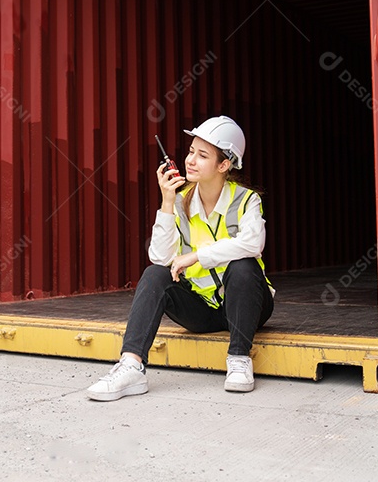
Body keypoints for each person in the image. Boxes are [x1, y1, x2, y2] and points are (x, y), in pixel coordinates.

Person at [87, 116, 275, 401]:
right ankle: (131, 366)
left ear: (224, 165)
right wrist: (166, 200)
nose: (191, 160)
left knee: (244, 265)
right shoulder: (179, 200)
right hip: (203, 310)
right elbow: (160, 257)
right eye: (190, 151)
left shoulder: (246, 200)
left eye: (202, 155)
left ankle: (238, 359)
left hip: (249, 307)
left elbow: (252, 244)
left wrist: (195, 257)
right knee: (154, 274)